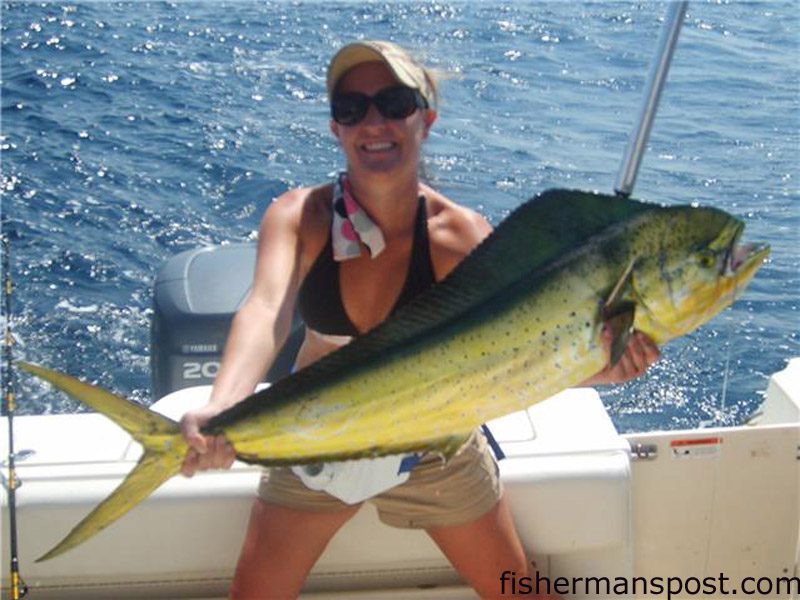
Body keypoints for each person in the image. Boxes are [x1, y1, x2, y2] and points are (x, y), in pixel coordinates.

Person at [180, 40, 660, 599]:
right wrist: (224, 402)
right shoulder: (299, 217)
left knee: (518, 591)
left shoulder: (460, 238)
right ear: (335, 127)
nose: (373, 122)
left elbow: (516, 358)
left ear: (425, 120)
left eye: (393, 102)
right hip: (320, 439)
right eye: (351, 108)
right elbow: (266, 311)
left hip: (432, 448)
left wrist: (603, 369)